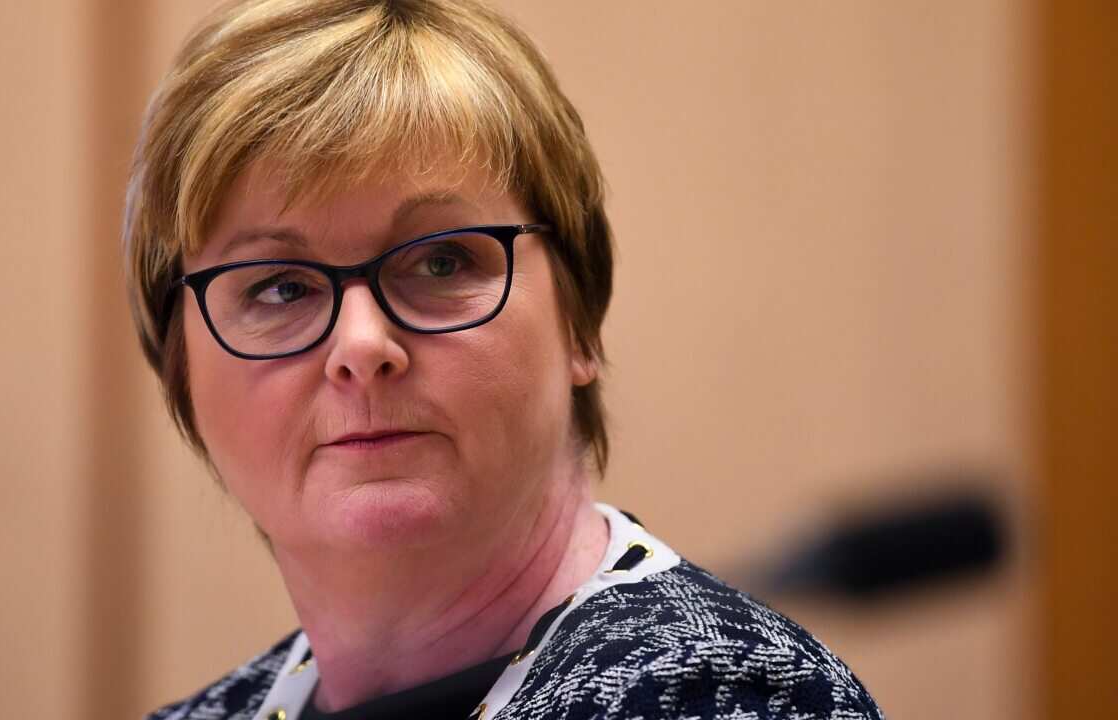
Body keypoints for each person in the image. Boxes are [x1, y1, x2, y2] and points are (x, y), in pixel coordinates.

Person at [124, 1, 884, 718]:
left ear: (580, 323)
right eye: (281, 287)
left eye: (442, 263)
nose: (360, 346)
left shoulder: (721, 694)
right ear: (182, 374)